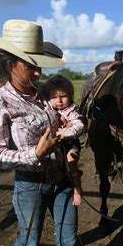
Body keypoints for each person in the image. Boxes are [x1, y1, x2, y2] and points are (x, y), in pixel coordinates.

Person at [0, 19, 80, 246]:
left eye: (39, 66)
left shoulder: (44, 96)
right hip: (30, 185)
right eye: (31, 65)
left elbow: (64, 123)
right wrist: (35, 153)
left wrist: (71, 143)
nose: (38, 73)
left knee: (68, 239)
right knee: (30, 239)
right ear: (11, 63)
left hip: (63, 180)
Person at [41, 75, 84, 206]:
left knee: (71, 161)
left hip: (69, 142)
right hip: (55, 143)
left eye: (63, 96)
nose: (59, 101)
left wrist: (65, 133)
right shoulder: (48, 108)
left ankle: (77, 189)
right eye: (54, 97)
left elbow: (79, 125)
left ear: (70, 95)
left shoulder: (72, 111)